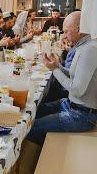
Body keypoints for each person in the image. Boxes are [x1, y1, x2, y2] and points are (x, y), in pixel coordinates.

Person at [20, 11, 97, 174]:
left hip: (81, 115)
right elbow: (74, 76)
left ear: (79, 28)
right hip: (71, 104)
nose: (64, 35)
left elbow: (77, 89)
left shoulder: (90, 49)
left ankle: (35, 164)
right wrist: (58, 66)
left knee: (29, 128)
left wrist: (54, 69)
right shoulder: (83, 46)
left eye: (67, 31)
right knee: (34, 110)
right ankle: (39, 147)